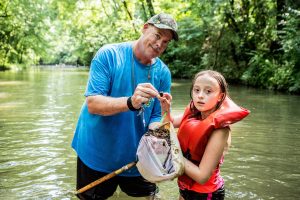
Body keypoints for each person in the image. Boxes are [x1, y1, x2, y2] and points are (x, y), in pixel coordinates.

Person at [71, 13, 179, 200]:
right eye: (157, 35)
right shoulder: (109, 55)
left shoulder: (163, 73)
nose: (160, 44)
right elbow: (93, 104)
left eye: (166, 42)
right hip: (97, 153)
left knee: (148, 196)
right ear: (145, 28)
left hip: (137, 158)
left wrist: (158, 131)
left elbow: (154, 117)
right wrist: (131, 102)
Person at [160, 70, 250, 200]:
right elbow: (168, 125)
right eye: (196, 90)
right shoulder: (193, 114)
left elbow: (202, 177)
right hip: (184, 187)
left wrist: (173, 151)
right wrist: (166, 110)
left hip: (206, 194)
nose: (200, 96)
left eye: (208, 91)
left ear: (220, 96)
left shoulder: (220, 131)